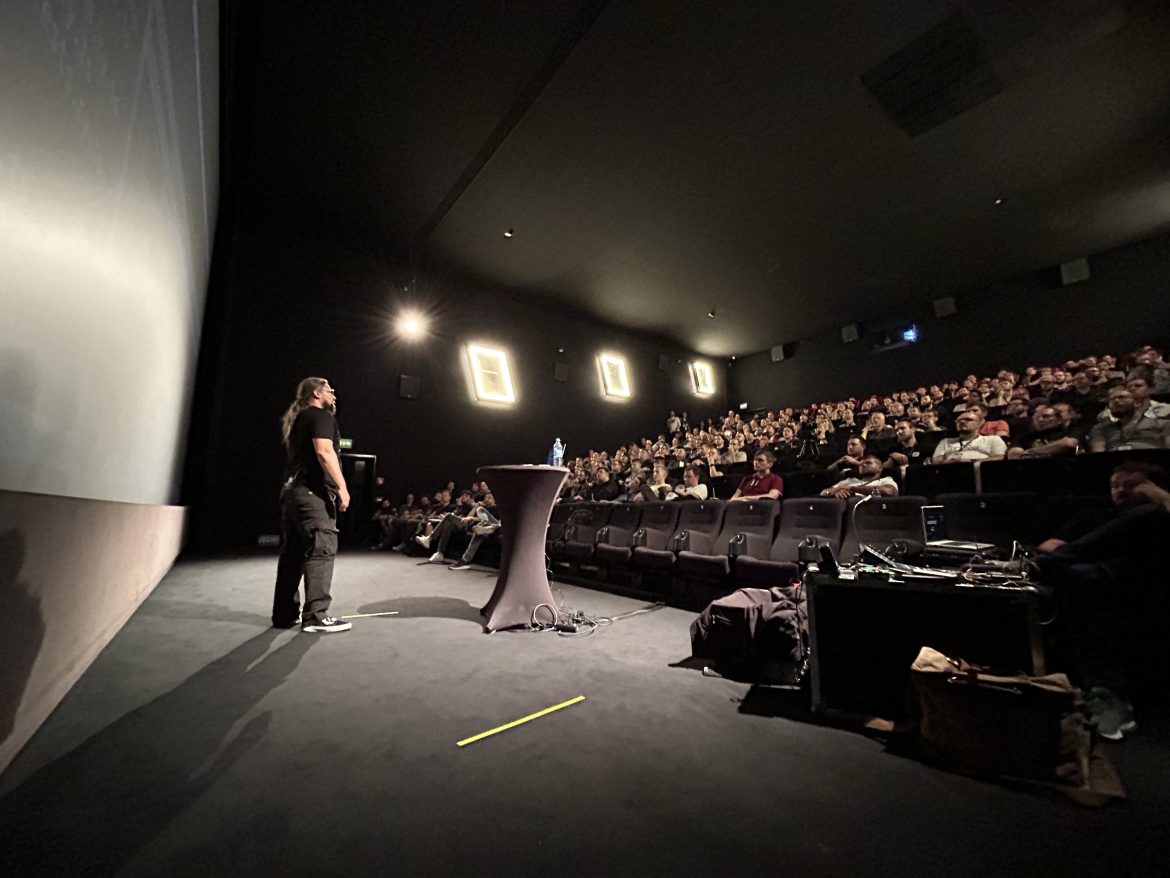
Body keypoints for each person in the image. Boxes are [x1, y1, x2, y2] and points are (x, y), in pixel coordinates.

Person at [1036, 463, 1170, 739]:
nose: (1120, 491)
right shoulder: (1096, 515)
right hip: (1091, 581)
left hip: (1142, 580)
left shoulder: (1153, 514)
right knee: (1078, 575)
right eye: (1114, 485)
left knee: (1084, 574)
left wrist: (1158, 497)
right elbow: (1054, 544)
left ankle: (1109, 694)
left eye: (1130, 485)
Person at [271, 377, 352, 633]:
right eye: (330, 390)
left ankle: (284, 615)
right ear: (318, 393)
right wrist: (342, 487)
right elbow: (324, 452)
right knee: (322, 549)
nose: (334, 393)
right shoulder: (321, 415)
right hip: (311, 494)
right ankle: (316, 616)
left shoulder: (300, 419)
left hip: (292, 493)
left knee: (293, 553)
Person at [931, 410, 1007, 463]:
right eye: (958, 420)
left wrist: (971, 461)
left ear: (978, 424)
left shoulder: (993, 439)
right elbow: (936, 461)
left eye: (968, 419)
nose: (962, 422)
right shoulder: (945, 441)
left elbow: (999, 458)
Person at [820, 454, 899, 498]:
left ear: (880, 468)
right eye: (861, 464)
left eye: (868, 463)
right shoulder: (849, 480)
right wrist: (834, 491)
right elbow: (823, 492)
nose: (863, 465)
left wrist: (851, 488)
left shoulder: (885, 480)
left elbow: (889, 491)